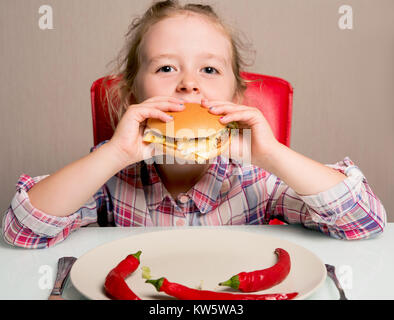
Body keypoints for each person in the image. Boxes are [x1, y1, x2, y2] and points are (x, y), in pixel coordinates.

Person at [2, 0, 386, 249]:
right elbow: (21, 231)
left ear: (235, 98)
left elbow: (365, 221)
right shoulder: (112, 174)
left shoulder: (256, 176)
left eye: (209, 69)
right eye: (166, 67)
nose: (189, 83)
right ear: (133, 96)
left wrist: (272, 154)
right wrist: (115, 154)